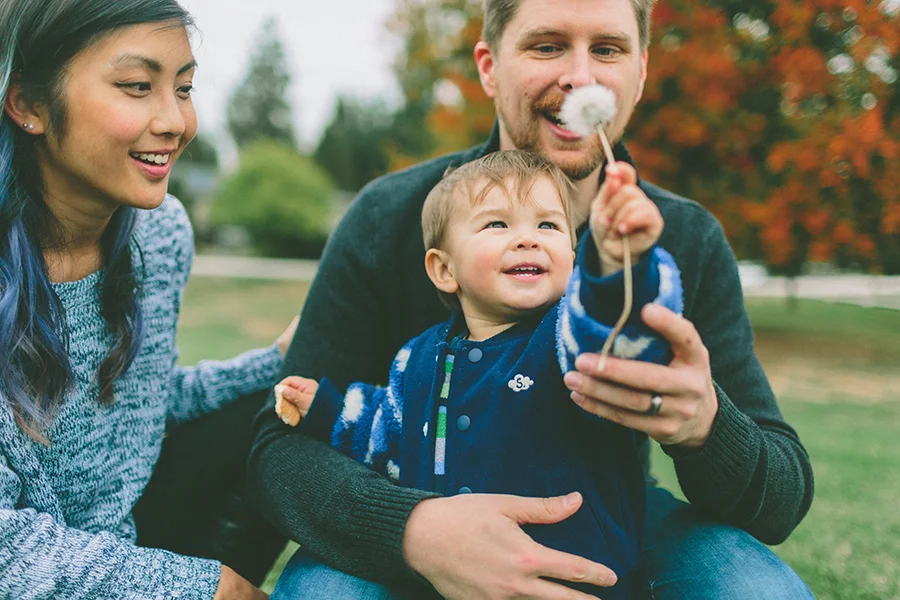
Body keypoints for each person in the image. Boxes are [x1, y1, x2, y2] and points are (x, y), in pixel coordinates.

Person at [249, 0, 815, 598]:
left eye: (608, 49)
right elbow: (278, 448)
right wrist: (414, 529)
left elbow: (782, 496)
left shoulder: (686, 238)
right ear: (490, 68)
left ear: (642, 70)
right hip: (408, 505)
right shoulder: (390, 215)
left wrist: (705, 425)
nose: (582, 76)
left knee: (756, 590)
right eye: (547, 46)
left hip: (604, 514)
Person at [271, 150, 682, 599]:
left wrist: (623, 266)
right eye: (497, 224)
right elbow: (388, 434)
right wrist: (328, 409)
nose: (528, 239)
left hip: (571, 584)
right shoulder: (419, 357)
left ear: (573, 252)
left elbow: (615, 329)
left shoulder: (567, 337)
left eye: (548, 225)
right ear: (445, 269)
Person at [0, 1, 290, 598]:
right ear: (27, 103)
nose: (177, 122)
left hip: (122, 543)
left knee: (287, 410)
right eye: (137, 86)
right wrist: (202, 587)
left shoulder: (159, 236)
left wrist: (282, 362)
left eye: (183, 88)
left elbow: (138, 407)